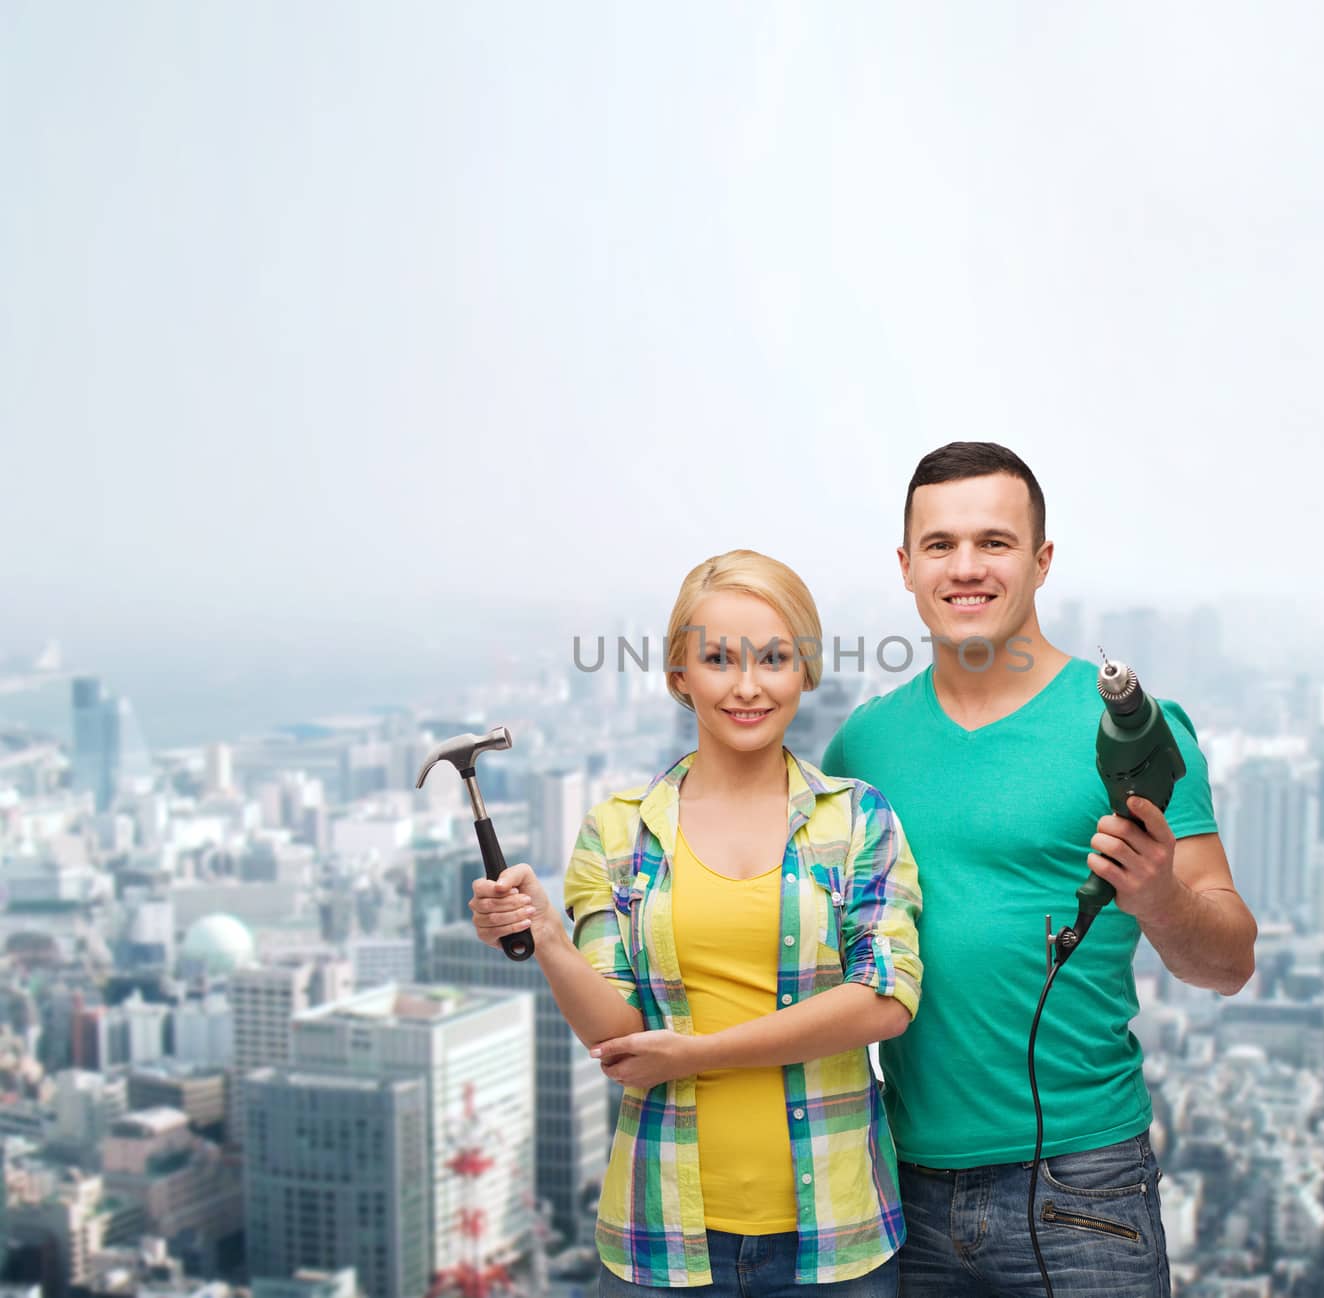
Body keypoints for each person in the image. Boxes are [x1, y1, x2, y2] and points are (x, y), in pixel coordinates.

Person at [820, 443, 1257, 1298]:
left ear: (1042, 560)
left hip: (1083, 1185)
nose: (967, 567)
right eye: (940, 545)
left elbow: (1230, 963)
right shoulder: (860, 746)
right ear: (906, 568)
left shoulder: (1134, 733)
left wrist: (1160, 896)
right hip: (893, 1185)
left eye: (995, 542)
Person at [468, 549, 922, 1297]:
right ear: (680, 675)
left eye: (774, 658)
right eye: (719, 659)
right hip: (659, 1243)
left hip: (839, 1243)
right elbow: (613, 1032)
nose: (748, 685)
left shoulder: (859, 818)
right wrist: (547, 936)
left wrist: (696, 1054)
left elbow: (886, 998)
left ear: (804, 672)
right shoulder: (616, 832)